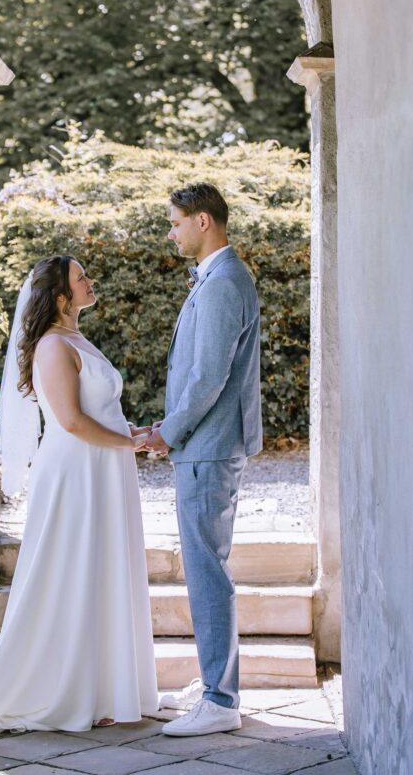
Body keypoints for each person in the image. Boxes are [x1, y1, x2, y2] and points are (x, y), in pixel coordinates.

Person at [0, 255, 158, 733]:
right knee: (69, 571)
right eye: (82, 277)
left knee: (98, 571)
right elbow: (72, 421)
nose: (90, 280)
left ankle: (99, 688)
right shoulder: (52, 346)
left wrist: (131, 431)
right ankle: (48, 682)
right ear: (61, 296)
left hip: (102, 468)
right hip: (75, 472)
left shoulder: (77, 338)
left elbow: (98, 410)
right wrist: (130, 444)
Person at [145, 183, 262, 737]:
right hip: (207, 445)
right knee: (205, 567)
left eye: (176, 222)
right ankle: (217, 680)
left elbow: (207, 377)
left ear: (204, 222)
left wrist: (168, 432)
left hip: (208, 447)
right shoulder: (219, 278)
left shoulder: (222, 285)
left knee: (206, 571)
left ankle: (220, 698)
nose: (171, 232)